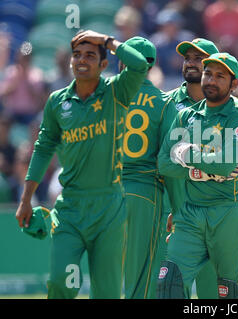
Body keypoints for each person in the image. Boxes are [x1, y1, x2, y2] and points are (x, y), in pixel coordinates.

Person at [14, 30, 149, 298]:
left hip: (109, 208)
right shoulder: (57, 102)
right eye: (77, 55)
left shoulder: (116, 92)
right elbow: (42, 149)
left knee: (107, 292)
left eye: (90, 55)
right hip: (70, 209)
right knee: (61, 283)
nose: (81, 60)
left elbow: (139, 64)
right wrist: (26, 198)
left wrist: (107, 41)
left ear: (103, 64)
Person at [161, 38, 238, 299]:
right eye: (208, 73)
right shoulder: (184, 114)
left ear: (233, 84)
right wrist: (199, 171)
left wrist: (186, 153)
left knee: (227, 292)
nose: (211, 79)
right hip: (189, 212)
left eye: (219, 76)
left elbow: (229, 164)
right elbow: (164, 163)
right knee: (168, 284)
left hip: (229, 209)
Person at [120, 37, 177, 299]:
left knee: (105, 270)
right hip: (145, 192)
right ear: (152, 65)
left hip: (106, 189)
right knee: (140, 273)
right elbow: (170, 160)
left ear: (123, 61)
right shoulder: (164, 102)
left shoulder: (107, 96)